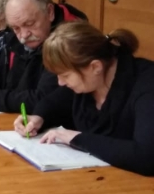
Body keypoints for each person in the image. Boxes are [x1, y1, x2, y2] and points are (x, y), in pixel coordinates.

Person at [13, 23, 154, 176]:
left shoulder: (147, 86)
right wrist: (38, 118)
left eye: (65, 75)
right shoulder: (88, 79)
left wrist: (77, 138)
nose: (60, 83)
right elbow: (53, 102)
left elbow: (147, 156)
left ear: (95, 67)